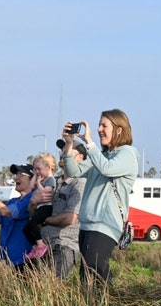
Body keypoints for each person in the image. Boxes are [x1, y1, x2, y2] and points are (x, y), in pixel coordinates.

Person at [60, 109, 139, 285]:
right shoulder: (101, 155)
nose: (98, 129)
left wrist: (89, 142)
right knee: (87, 277)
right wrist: (69, 144)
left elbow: (107, 169)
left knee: (95, 271)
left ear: (119, 130)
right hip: (88, 225)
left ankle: (110, 305)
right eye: (99, 125)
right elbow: (73, 171)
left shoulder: (128, 154)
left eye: (104, 125)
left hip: (105, 225)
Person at [28, 140, 88, 279]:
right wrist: (32, 203)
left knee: (52, 292)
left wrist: (45, 220)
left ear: (80, 158)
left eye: (68, 150)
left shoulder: (80, 183)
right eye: (62, 150)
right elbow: (33, 216)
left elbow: (70, 218)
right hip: (43, 246)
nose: (62, 154)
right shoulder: (53, 181)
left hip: (62, 247)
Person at [0, 164, 36, 271]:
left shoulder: (32, 199)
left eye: (21, 174)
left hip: (27, 256)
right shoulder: (13, 201)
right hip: (13, 256)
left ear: (32, 179)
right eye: (16, 174)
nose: (16, 177)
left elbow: (7, 212)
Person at [23, 153, 59, 260]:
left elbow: (45, 193)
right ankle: (35, 247)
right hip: (40, 207)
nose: (37, 172)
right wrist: (36, 176)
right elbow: (30, 186)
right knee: (26, 228)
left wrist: (39, 183)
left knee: (33, 223)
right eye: (35, 169)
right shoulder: (41, 178)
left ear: (49, 168)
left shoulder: (50, 180)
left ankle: (41, 245)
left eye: (39, 169)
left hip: (47, 207)